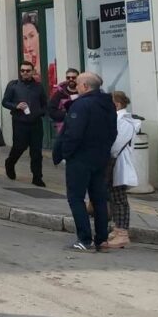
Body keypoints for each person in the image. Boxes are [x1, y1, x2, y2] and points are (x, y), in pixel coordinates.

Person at [53, 72, 117, 253]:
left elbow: (73, 133)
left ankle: (84, 239)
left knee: (76, 198)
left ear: (86, 86)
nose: (76, 87)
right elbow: (113, 132)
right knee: (99, 199)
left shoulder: (81, 105)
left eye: (78, 84)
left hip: (80, 158)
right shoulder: (107, 104)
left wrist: (66, 153)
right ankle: (102, 240)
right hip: (100, 157)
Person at [1, 61, 49, 186]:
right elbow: (5, 102)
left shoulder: (38, 86)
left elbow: (45, 104)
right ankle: (10, 163)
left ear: (32, 72)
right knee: (19, 147)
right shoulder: (13, 85)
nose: (25, 73)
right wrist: (16, 106)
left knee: (36, 151)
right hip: (20, 122)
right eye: (22, 71)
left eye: (28, 71)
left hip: (35, 123)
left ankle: (37, 177)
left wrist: (40, 112)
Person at [107, 91, 140, 249]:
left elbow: (114, 145)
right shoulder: (119, 119)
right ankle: (117, 228)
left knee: (119, 199)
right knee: (114, 197)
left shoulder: (124, 122)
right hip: (116, 163)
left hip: (119, 163)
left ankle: (122, 234)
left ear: (117, 104)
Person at [48, 69, 80, 134]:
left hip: (80, 126)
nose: (71, 79)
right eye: (68, 78)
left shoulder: (83, 92)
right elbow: (51, 110)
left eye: (73, 77)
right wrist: (66, 115)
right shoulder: (59, 93)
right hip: (64, 128)